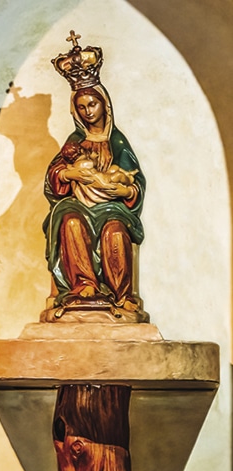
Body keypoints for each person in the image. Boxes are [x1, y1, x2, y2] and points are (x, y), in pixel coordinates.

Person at [43, 82, 145, 315]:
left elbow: (136, 182)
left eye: (92, 104)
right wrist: (69, 173)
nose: (88, 111)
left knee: (116, 232)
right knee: (70, 222)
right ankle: (84, 286)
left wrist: (126, 193)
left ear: (104, 105)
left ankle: (123, 296)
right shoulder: (74, 140)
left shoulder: (117, 142)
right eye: (81, 107)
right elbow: (53, 178)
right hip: (78, 204)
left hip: (112, 208)